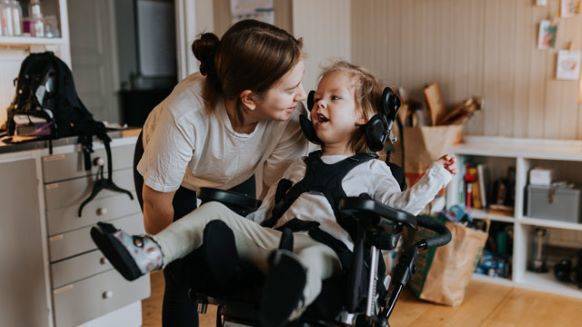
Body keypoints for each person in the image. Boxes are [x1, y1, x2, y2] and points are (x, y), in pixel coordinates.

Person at [93, 61, 457, 327]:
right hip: (276, 239)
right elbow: (267, 209)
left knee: (310, 262)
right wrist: (237, 230)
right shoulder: (300, 165)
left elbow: (400, 207)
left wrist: (435, 175)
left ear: (363, 116)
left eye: (335, 98)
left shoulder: (373, 171)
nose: (319, 104)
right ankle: (150, 253)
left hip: (326, 249)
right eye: (318, 97)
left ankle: (287, 300)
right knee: (214, 215)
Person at [134, 19, 309, 326]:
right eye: (291, 89)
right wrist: (172, 254)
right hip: (176, 176)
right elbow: (156, 202)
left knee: (235, 263)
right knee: (182, 276)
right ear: (250, 98)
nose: (302, 95)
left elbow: (273, 200)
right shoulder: (185, 114)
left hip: (235, 171)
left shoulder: (291, 116)